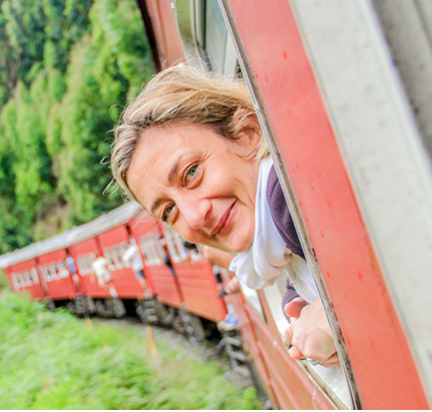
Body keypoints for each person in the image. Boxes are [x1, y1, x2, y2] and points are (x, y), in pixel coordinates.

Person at [110, 65, 337, 367]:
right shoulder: (279, 243)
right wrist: (302, 310)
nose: (194, 217)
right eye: (169, 211)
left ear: (247, 133)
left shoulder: (291, 200)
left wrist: (336, 312)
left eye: (191, 173)